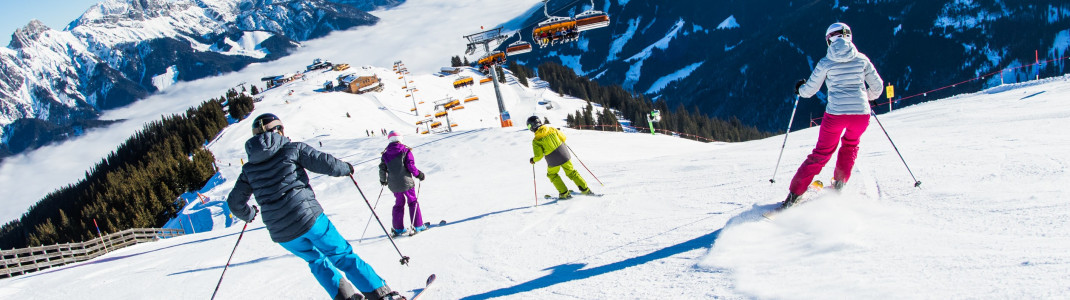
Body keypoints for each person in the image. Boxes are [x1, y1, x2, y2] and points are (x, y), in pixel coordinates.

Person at [227, 113, 398, 300]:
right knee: (342, 255)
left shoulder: (248, 169)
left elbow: (234, 203)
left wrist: (249, 213)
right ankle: (382, 296)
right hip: (308, 217)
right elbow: (324, 163)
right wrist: (345, 168)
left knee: (316, 261)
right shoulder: (291, 149)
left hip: (281, 233)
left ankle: (346, 298)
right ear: (279, 130)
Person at [785, 22, 884, 208]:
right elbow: (878, 87)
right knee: (850, 145)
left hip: (836, 115)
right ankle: (839, 186)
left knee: (821, 153)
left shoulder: (826, 62)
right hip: (861, 115)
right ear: (849, 36)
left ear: (829, 39)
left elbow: (809, 91)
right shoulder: (862, 60)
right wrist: (865, 98)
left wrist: (800, 89)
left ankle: (794, 195)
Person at [527, 116, 592, 199]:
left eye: (529, 126)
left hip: (552, 159)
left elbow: (539, 156)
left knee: (552, 174)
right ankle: (585, 189)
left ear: (532, 126)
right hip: (564, 153)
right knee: (571, 172)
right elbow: (563, 138)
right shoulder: (552, 129)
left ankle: (564, 193)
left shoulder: (536, 140)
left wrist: (533, 160)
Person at [378, 131, 426, 236]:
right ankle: (418, 225)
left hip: (393, 185)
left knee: (399, 203)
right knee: (412, 201)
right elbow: (410, 166)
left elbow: (382, 169)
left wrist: (383, 180)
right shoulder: (405, 151)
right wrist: (418, 175)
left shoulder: (385, 154)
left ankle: (398, 228)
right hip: (406, 183)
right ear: (400, 138)